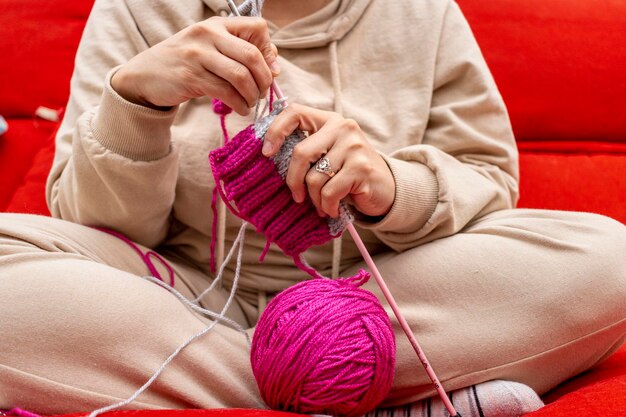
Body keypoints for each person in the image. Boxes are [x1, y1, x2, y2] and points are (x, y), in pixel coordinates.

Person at [0, 0, 624, 416]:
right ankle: (371, 389)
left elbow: (487, 179)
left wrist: (390, 183)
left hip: (388, 289)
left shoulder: (422, 12)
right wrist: (136, 103)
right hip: (180, 293)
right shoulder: (139, 7)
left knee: (610, 259)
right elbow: (92, 224)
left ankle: (287, 370)